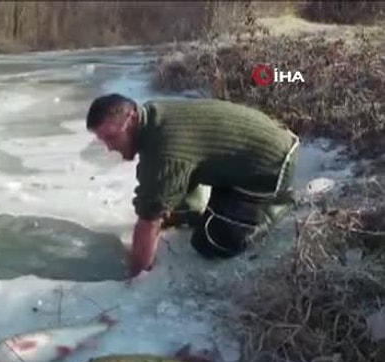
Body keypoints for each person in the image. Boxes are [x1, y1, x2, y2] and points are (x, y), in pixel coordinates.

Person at [85, 94, 299, 279]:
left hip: (270, 167)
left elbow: (149, 218)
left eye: (112, 137)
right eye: (103, 140)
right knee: (173, 206)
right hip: (242, 157)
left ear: (131, 120)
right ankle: (198, 207)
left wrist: (136, 275)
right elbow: (153, 179)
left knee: (210, 242)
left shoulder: (165, 147)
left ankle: (276, 205)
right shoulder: (152, 117)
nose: (109, 147)